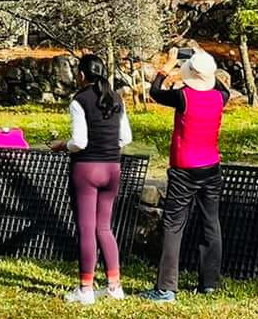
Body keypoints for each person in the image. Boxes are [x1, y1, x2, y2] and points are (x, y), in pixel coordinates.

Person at [143, 45, 227, 302]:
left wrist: (167, 66)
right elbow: (222, 86)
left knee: (174, 225)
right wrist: (203, 56)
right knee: (211, 222)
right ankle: (209, 282)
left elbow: (155, 91)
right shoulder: (220, 97)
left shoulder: (183, 97)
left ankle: (167, 287)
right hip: (211, 167)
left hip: (183, 169)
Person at [53, 55, 131, 303]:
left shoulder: (79, 101)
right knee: (104, 227)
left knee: (87, 229)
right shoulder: (116, 99)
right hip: (112, 169)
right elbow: (125, 138)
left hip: (87, 170)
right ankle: (114, 285)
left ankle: (86, 289)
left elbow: (79, 142)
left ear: (83, 75)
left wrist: (61, 145)